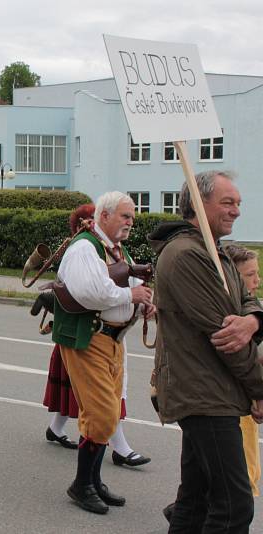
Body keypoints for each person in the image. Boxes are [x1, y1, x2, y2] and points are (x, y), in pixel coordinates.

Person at [150, 170, 263, 532]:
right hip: (205, 394)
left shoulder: (217, 252)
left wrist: (254, 321)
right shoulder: (187, 255)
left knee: (194, 502)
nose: (236, 211)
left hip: (215, 391)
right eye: (227, 202)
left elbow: (247, 301)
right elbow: (225, 338)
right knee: (233, 508)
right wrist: (260, 388)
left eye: (238, 203)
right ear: (198, 204)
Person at [54, 191, 154, 515]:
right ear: (106, 215)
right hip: (90, 339)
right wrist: (131, 293)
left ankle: (93, 480)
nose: (130, 222)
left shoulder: (113, 248)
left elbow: (126, 283)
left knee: (101, 415)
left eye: (132, 217)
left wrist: (143, 300)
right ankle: (82, 484)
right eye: (126, 216)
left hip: (110, 341)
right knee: (103, 414)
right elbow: (91, 292)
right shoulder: (85, 246)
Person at [224, 244, 261, 498]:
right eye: (250, 275)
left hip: (245, 398)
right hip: (233, 401)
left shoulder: (250, 308)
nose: (257, 281)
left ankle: (185, 511)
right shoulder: (229, 313)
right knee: (241, 479)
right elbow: (243, 359)